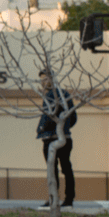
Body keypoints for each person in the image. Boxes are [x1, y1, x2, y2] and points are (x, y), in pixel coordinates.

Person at [37, 69, 77, 208]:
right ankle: (67, 200)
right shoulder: (64, 94)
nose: (43, 82)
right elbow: (73, 117)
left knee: (53, 170)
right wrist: (65, 128)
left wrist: (42, 129)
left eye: (46, 79)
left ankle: (55, 199)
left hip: (51, 138)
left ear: (52, 79)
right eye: (42, 79)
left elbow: (48, 116)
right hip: (65, 137)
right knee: (66, 168)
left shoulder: (51, 96)